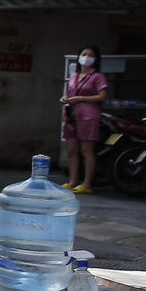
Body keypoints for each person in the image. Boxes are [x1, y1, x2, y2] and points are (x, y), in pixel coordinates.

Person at [61, 47, 108, 193]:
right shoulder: (74, 75)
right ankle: (73, 181)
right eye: (84, 54)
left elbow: (102, 96)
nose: (86, 57)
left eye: (91, 55)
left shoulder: (97, 76)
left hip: (88, 115)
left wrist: (81, 99)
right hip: (72, 114)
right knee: (72, 150)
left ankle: (87, 183)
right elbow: (70, 92)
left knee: (86, 150)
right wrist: (66, 99)